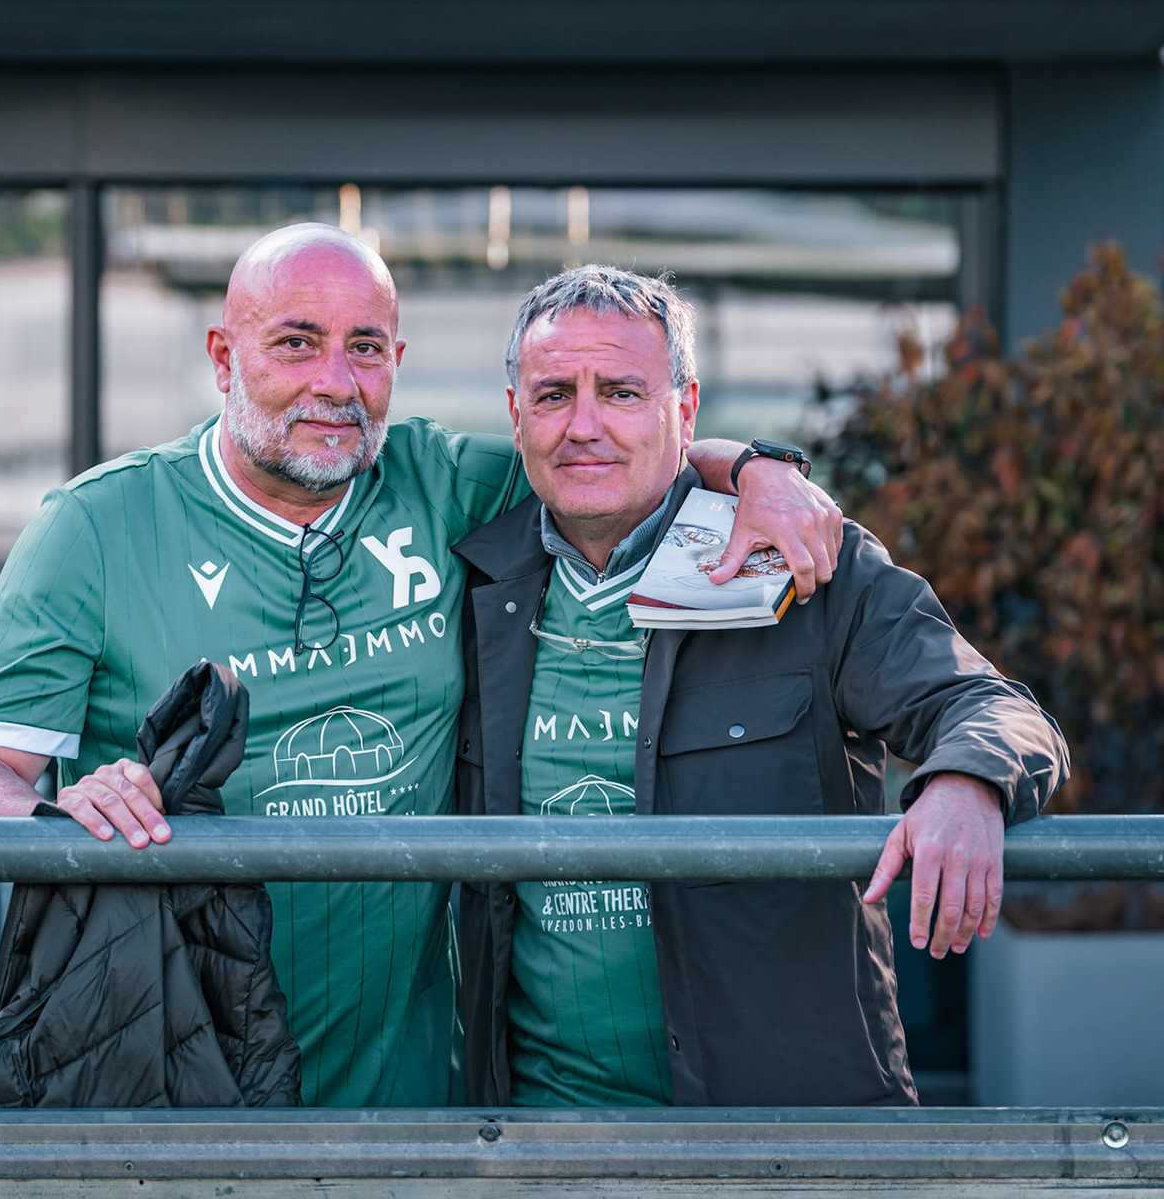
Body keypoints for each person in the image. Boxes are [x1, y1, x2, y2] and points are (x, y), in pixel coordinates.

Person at [0, 223, 845, 1107]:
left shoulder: (440, 483)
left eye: (364, 348)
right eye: (296, 343)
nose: (335, 382)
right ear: (221, 358)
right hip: (176, 1079)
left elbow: (608, 454)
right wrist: (63, 814)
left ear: (396, 365)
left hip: (411, 1103)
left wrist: (760, 469)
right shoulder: (93, 527)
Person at [451, 265, 1068, 1107]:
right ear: (516, 415)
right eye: (555, 394)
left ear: (685, 408)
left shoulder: (804, 563)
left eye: (624, 392)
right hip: (538, 1128)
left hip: (783, 1129)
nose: (584, 426)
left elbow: (988, 705)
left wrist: (967, 783)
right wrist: (747, 462)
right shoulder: (468, 581)